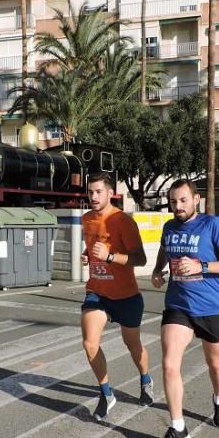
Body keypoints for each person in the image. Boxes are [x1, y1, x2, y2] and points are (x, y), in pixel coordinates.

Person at [150, 179, 219, 438]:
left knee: (215, 364)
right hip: (178, 305)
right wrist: (158, 271)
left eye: (182, 200)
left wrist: (200, 265)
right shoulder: (169, 227)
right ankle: (178, 427)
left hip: (212, 308)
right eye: (173, 201)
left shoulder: (212, 224)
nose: (177, 206)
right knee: (169, 363)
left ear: (196, 199)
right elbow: (165, 250)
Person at [80, 173, 152, 421]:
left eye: (98, 191)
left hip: (126, 296)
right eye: (90, 192)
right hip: (97, 292)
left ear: (111, 193)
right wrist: (87, 255)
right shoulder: (86, 219)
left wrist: (110, 256)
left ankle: (145, 379)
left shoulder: (123, 221)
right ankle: (107, 393)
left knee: (133, 346)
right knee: (90, 343)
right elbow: (91, 246)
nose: (93, 197)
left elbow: (140, 259)